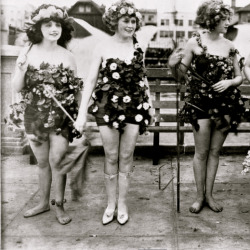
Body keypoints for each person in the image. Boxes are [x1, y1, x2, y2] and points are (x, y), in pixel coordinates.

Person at [74, 0, 153, 225]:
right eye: (125, 20)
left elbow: (142, 78)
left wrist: (150, 106)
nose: (130, 25)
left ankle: (123, 203)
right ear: (115, 21)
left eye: (133, 21)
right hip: (107, 107)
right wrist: (81, 114)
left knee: (126, 156)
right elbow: (90, 81)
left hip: (134, 107)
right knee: (111, 155)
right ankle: (110, 203)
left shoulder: (137, 46)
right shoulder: (102, 46)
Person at [168, 0, 246, 213]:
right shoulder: (194, 43)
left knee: (215, 152)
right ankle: (199, 196)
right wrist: (172, 63)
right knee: (201, 152)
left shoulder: (230, 47)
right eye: (224, 19)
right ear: (213, 20)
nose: (228, 23)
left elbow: (240, 77)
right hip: (200, 104)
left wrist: (229, 82)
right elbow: (180, 74)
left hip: (225, 106)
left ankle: (210, 195)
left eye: (228, 19)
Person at [11, 4, 83, 225]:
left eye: (57, 25)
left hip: (61, 117)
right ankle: (43, 202)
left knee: (57, 160)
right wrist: (22, 68)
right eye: (48, 24)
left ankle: (59, 205)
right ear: (38, 28)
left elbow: (76, 90)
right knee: (42, 162)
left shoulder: (68, 56)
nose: (54, 29)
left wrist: (79, 118)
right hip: (34, 115)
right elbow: (16, 87)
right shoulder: (28, 52)